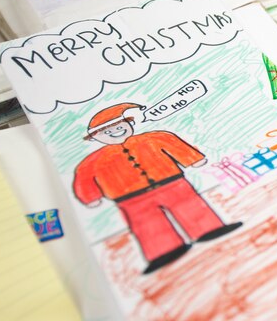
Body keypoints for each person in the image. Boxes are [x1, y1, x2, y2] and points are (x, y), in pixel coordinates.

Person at [73, 102, 241, 274]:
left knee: (190, 205)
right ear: (96, 137)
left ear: (129, 124)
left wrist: (192, 159)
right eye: (107, 131)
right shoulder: (93, 161)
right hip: (131, 199)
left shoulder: (152, 138)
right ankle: (163, 251)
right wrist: (90, 197)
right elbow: (83, 178)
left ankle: (209, 230)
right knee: (147, 224)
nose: (116, 132)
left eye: (119, 126)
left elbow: (174, 145)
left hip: (172, 183)